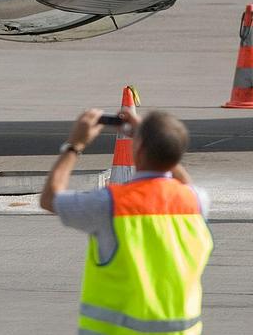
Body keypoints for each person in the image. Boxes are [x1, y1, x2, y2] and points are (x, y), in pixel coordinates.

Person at [40, 107, 213, 335]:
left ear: (138, 150)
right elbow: (183, 181)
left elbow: (50, 199)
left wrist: (74, 146)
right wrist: (157, 141)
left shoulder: (110, 204)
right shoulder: (196, 201)